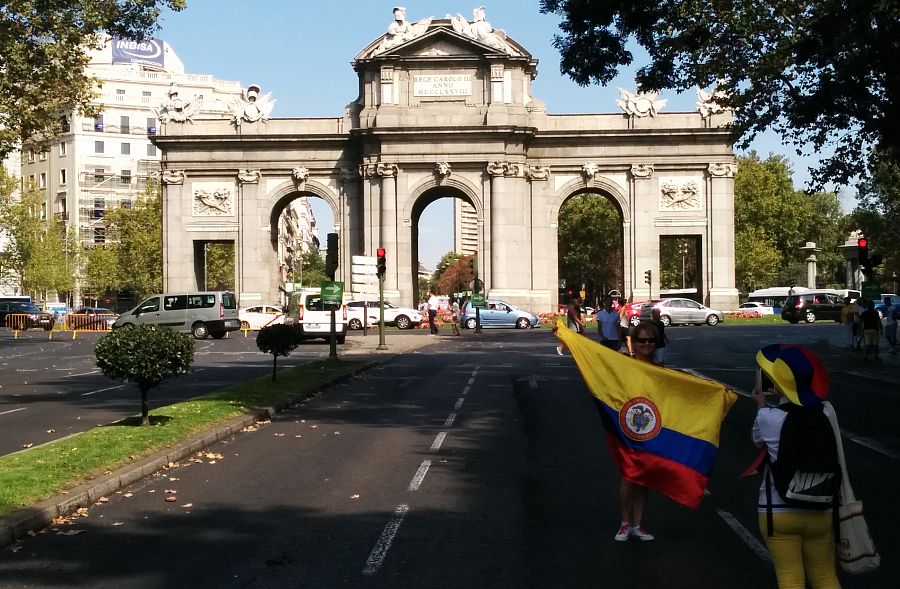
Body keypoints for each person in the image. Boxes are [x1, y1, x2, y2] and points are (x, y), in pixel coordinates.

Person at [751, 348, 841, 589]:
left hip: (778, 509)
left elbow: (757, 440)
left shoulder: (768, 416)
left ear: (777, 384)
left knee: (789, 577)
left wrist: (760, 405)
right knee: (825, 576)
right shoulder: (826, 412)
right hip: (820, 504)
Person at [614, 321, 658, 541]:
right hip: (628, 427)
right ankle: (625, 522)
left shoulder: (660, 371)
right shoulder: (625, 365)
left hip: (651, 429)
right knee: (627, 478)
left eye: (651, 340)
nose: (647, 344)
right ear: (634, 342)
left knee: (643, 479)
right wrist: (569, 339)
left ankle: (638, 525)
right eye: (642, 340)